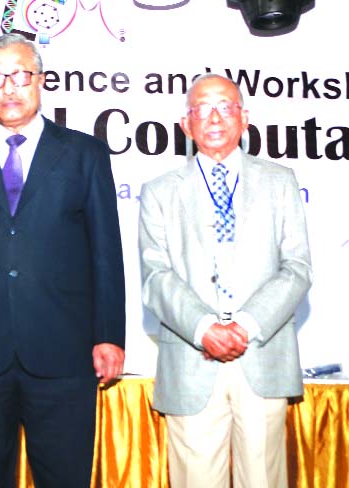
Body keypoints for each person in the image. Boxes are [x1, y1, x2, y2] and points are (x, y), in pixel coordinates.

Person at [0, 34, 126, 488]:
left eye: (19, 75)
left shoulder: (84, 154)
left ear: (41, 81)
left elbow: (105, 252)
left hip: (65, 353)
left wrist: (109, 335)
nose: (8, 88)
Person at [139, 73, 311, 487]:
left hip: (262, 357)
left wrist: (245, 325)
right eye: (202, 108)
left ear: (244, 118)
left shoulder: (280, 181)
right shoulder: (159, 191)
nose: (215, 117)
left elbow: (297, 268)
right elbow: (155, 275)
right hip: (191, 361)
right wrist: (205, 328)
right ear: (186, 123)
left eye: (226, 106)